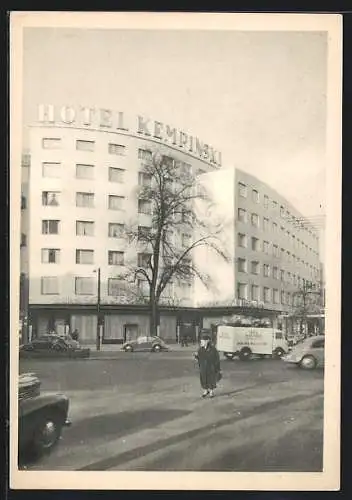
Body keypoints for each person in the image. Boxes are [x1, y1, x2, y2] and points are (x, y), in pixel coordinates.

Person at [194, 334, 221, 398]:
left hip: (211, 367)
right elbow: (199, 358)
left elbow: (217, 359)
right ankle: (205, 391)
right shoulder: (200, 349)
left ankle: (211, 392)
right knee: (203, 378)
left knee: (211, 379)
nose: (201, 343)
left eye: (202, 341)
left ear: (207, 341)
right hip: (203, 367)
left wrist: (218, 368)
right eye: (201, 342)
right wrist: (196, 356)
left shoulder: (213, 349)